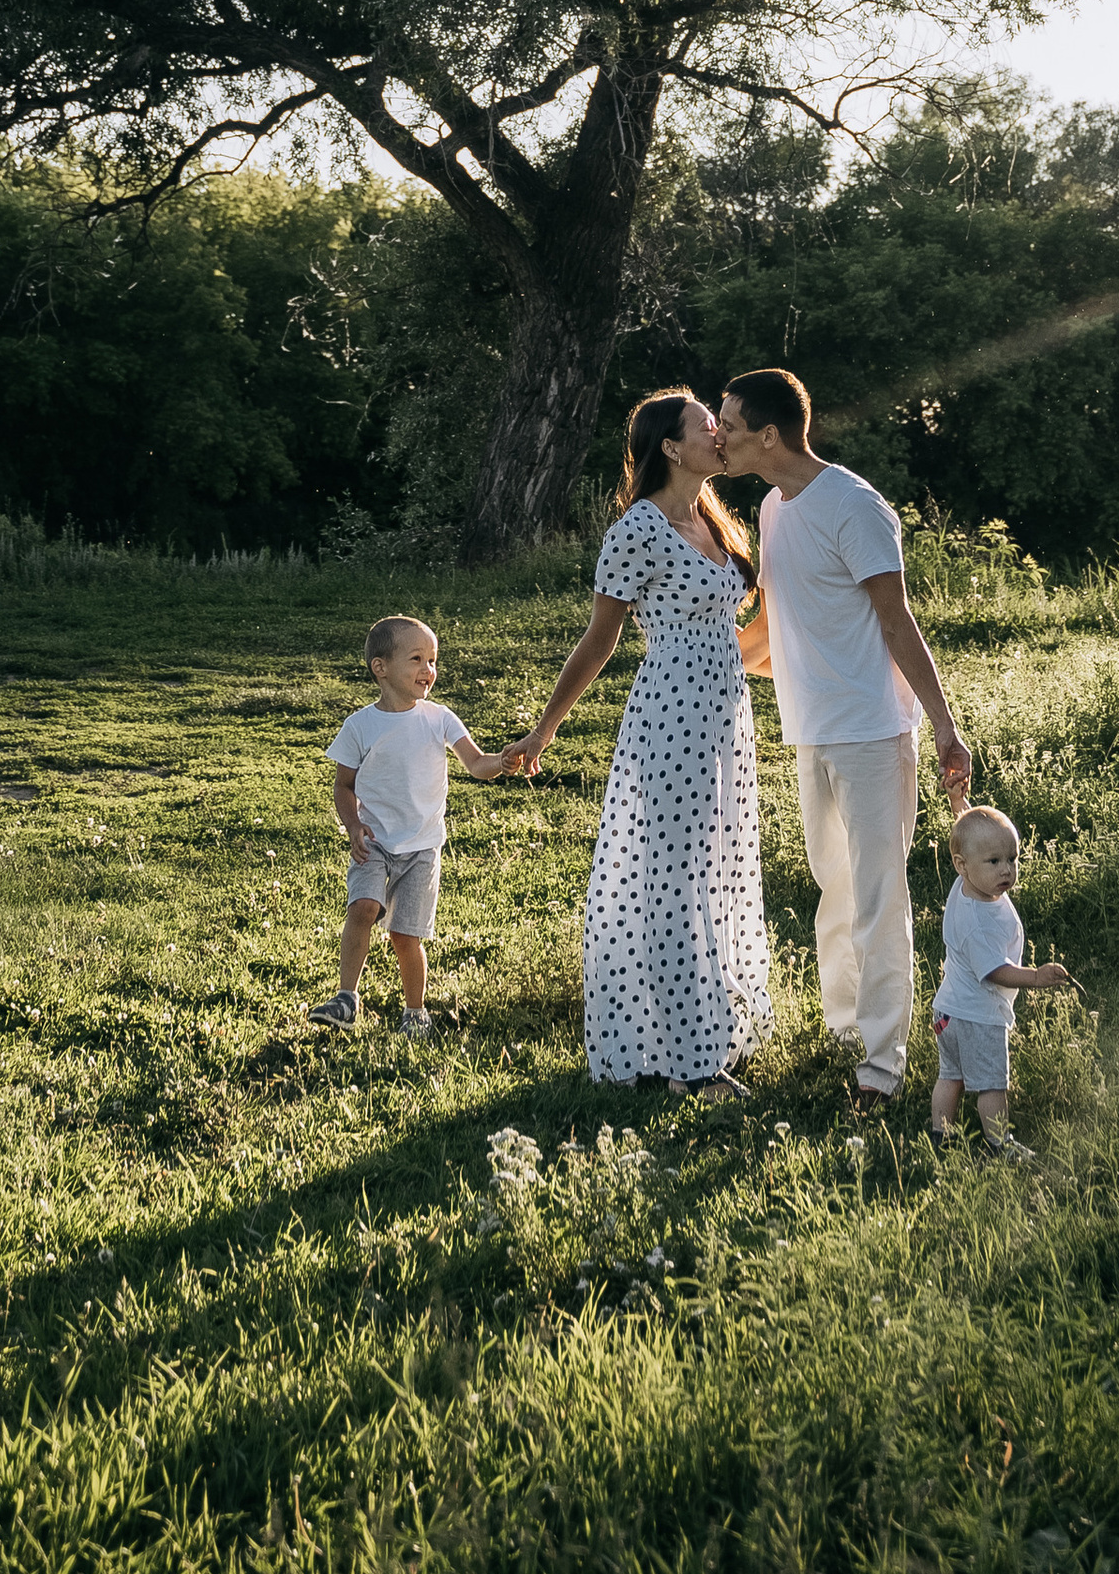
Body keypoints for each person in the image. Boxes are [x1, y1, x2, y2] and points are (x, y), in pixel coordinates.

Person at [716, 367, 971, 1114]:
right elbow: (774, 624)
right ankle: (843, 1029)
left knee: (878, 896)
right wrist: (698, 657)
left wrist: (946, 727)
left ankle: (884, 1064)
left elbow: (898, 622)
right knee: (835, 888)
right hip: (812, 730)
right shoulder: (771, 507)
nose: (716, 435)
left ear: (768, 435)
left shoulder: (856, 507)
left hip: (871, 730)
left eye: (728, 424)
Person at [517, 393, 775, 1106]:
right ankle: (686, 1063)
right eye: (708, 427)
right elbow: (600, 639)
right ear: (670, 446)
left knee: (716, 870)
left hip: (726, 721)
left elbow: (743, 626)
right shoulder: (637, 530)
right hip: (670, 719)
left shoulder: (715, 523)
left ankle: (709, 1034)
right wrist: (546, 727)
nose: (720, 436)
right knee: (672, 882)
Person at [310, 614, 523, 1034]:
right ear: (381, 668)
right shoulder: (359, 726)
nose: (429, 670)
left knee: (406, 936)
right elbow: (344, 786)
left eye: (433, 660)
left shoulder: (439, 717)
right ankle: (347, 998)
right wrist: (353, 826)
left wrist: (501, 762)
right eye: (417, 659)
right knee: (363, 908)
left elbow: (476, 763)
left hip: (423, 846)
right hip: (373, 842)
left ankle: (415, 1013)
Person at [929, 804, 1075, 1162]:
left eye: (1012, 858)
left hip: (948, 1012)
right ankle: (999, 1145)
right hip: (978, 1017)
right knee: (992, 1084)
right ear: (962, 865)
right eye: (994, 862)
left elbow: (969, 838)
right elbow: (996, 971)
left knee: (951, 1077)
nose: (1006, 869)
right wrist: (1036, 977)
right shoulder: (978, 924)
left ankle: (941, 1135)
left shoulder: (967, 884)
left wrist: (959, 805)